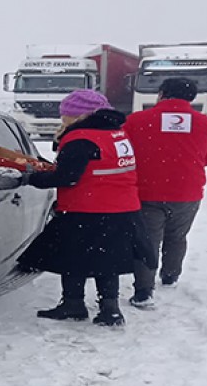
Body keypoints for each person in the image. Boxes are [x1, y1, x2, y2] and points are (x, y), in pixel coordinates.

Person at [16, 89, 147, 328]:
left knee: (72, 258)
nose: (62, 118)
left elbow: (68, 177)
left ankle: (73, 304)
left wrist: (31, 178)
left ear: (77, 116)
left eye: (65, 115)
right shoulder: (116, 133)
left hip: (87, 208)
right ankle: (110, 309)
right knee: (107, 261)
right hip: (121, 207)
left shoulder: (81, 139)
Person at [123, 77, 207, 307]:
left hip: (147, 192)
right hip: (188, 192)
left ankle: (144, 291)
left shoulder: (137, 120)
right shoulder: (204, 123)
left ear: (161, 94)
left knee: (147, 241)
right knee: (177, 236)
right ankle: (170, 275)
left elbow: (125, 153)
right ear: (192, 97)